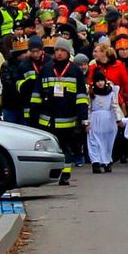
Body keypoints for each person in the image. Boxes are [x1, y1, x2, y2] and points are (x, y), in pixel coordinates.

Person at [32, 38, 89, 184]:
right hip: (47, 118)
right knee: (47, 148)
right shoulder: (46, 69)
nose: (59, 53)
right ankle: (48, 174)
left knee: (65, 147)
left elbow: (81, 96)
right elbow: (37, 92)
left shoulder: (75, 71)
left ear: (68, 53)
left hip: (67, 118)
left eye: (62, 50)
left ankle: (65, 174)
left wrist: (83, 117)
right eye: (57, 50)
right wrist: (33, 113)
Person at [87, 69, 123, 173]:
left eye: (102, 80)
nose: (100, 83)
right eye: (97, 81)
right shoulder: (91, 93)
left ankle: (106, 161)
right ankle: (96, 162)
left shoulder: (111, 92)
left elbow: (115, 106)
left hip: (108, 119)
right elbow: (88, 108)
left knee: (107, 142)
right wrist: (86, 122)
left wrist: (118, 119)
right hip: (95, 119)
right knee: (94, 141)